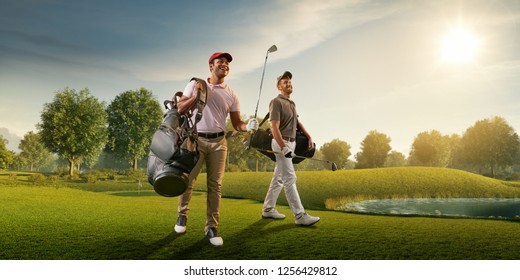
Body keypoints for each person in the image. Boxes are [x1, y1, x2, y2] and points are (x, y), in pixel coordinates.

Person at [174, 52, 258, 247]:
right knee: (188, 180)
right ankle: (181, 216)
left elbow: (237, 123)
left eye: (227, 63)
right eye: (221, 61)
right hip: (195, 140)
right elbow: (180, 108)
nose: (225, 65)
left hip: (220, 143)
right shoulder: (196, 84)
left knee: (216, 187)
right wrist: (197, 97)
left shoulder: (231, 94)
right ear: (211, 66)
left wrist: (248, 126)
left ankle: (211, 227)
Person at [261, 71, 320, 226]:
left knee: (278, 179)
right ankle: (300, 215)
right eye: (285, 81)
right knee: (289, 178)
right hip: (281, 143)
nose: (289, 83)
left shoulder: (292, 103)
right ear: (279, 86)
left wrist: (309, 136)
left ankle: (268, 209)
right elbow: (274, 126)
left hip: (291, 143)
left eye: (290, 81)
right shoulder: (276, 102)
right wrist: (283, 147)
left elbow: (298, 123)